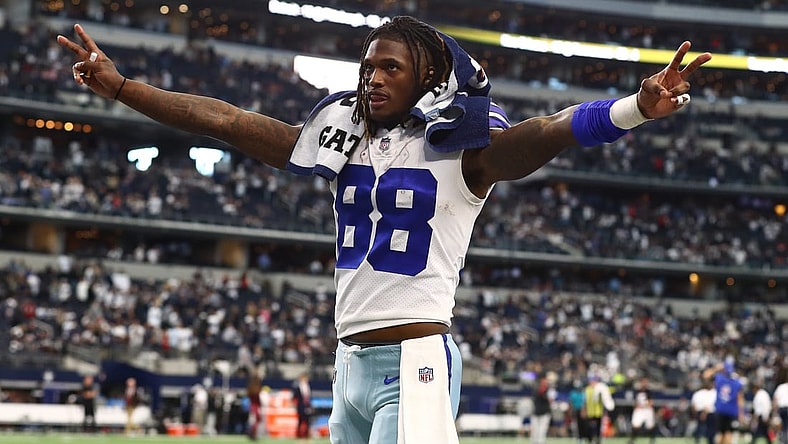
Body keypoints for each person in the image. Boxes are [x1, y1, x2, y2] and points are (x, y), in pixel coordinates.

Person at [57, 16, 711, 443]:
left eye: (390, 67)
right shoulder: (342, 143)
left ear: (427, 76)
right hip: (349, 364)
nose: (372, 77)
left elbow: (546, 134)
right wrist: (123, 89)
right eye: (368, 66)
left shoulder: (462, 147)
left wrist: (633, 108)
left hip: (414, 359)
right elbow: (226, 121)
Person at [703, 360, 745, 444]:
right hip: (731, 412)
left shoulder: (719, 378)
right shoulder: (737, 382)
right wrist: (741, 413)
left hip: (720, 410)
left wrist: (716, 368)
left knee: (720, 434)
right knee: (728, 434)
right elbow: (740, 399)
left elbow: (705, 375)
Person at [582, 374, 616, 444]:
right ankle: (590, 439)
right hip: (590, 412)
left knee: (598, 427)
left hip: (598, 412)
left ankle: (597, 440)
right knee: (590, 427)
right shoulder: (587, 389)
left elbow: (606, 397)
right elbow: (585, 401)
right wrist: (584, 410)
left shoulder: (600, 389)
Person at [629, 377, 656, 444]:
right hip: (639, 410)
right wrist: (636, 406)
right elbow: (635, 402)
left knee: (650, 426)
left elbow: (651, 402)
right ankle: (633, 439)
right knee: (635, 425)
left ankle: (652, 439)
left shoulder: (649, 392)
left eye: (645, 382)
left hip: (647, 410)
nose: (644, 384)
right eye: (643, 382)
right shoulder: (637, 391)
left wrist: (643, 406)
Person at [530, 372, 555, 444]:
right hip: (536, 411)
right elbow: (535, 397)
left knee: (542, 431)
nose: (545, 381)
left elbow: (550, 401)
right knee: (535, 430)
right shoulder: (536, 387)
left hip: (545, 411)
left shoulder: (549, 389)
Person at [691, 377, 717, 444]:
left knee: (700, 428)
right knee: (710, 429)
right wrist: (704, 413)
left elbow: (693, 406)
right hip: (709, 413)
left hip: (700, 412)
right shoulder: (711, 393)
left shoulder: (697, 393)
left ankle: (698, 440)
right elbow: (708, 405)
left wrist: (696, 414)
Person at [750, 380, 773, 444]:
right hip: (762, 416)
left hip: (762, 416)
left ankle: (753, 442)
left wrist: (765, 416)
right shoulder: (760, 394)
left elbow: (766, 406)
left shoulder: (761, 394)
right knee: (763, 431)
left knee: (759, 430)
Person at [292, 372, 314, 439]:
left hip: (307, 406)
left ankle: (307, 434)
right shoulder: (298, 387)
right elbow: (295, 397)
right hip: (301, 406)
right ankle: (298, 435)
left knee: (308, 420)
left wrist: (310, 405)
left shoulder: (308, 386)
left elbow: (309, 397)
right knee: (300, 420)